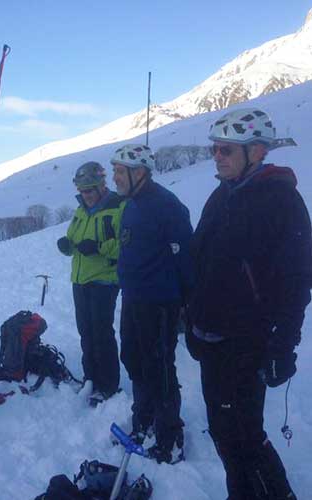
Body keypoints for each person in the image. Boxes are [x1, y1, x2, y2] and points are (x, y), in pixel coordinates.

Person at [187, 108, 312, 499]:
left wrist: (283, 344)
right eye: (215, 150)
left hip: (247, 342)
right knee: (223, 432)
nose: (218, 157)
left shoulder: (281, 201)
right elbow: (199, 261)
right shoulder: (220, 195)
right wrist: (190, 319)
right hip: (212, 338)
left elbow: (298, 280)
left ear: (256, 151)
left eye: (227, 150)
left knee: (245, 436)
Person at [111, 144, 193, 464]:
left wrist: (187, 303)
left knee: (159, 368)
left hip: (159, 302)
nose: (115, 178)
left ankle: (170, 436)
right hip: (133, 298)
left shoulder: (166, 205)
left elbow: (187, 257)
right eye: (115, 170)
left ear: (139, 172)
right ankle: (143, 421)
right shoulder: (131, 204)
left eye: (120, 172)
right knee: (133, 358)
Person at [56, 161, 125, 406]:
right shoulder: (81, 211)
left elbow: (126, 246)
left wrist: (99, 248)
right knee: (86, 331)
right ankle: (91, 378)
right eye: (83, 191)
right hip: (80, 280)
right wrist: (67, 245)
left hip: (104, 280)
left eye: (91, 190)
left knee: (102, 333)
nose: (87, 196)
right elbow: (74, 240)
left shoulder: (118, 207)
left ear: (101, 186)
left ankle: (107, 385)